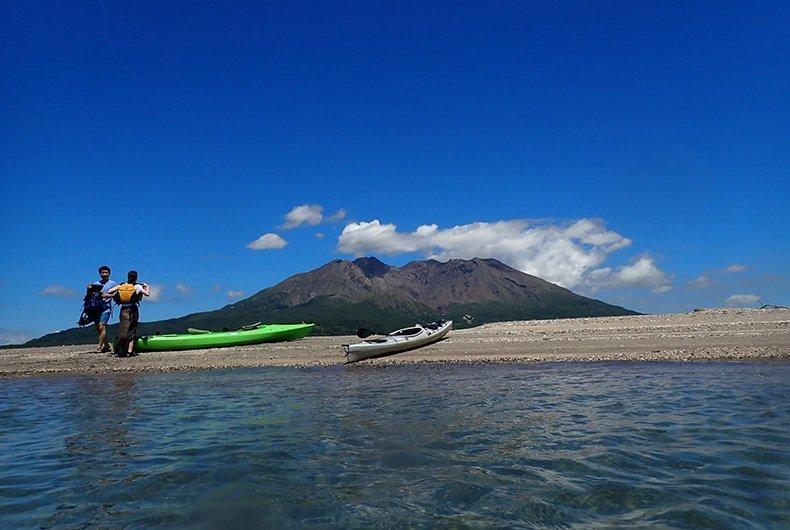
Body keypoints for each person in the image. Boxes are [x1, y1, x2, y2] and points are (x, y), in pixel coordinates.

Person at [104, 270, 150, 357]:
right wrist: (146, 286)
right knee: (132, 329)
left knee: (123, 328)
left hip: (123, 309)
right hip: (132, 309)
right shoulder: (137, 286)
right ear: (136, 278)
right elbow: (147, 294)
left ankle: (121, 349)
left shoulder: (122, 285)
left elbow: (109, 291)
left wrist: (116, 294)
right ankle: (130, 351)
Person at [87, 265, 117, 353]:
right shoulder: (96, 283)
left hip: (106, 308)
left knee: (101, 326)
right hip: (96, 308)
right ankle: (107, 346)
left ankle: (99, 346)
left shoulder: (112, 284)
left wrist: (108, 295)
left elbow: (115, 294)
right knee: (98, 328)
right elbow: (92, 295)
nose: (104, 274)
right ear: (100, 273)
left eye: (106, 272)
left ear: (109, 273)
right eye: (103, 272)